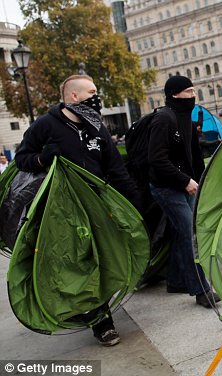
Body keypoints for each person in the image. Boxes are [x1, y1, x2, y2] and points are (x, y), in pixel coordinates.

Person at [14, 74, 140, 347]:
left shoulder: (97, 126)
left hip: (97, 207)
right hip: (63, 212)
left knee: (103, 260)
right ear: (74, 96)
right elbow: (22, 159)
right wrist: (41, 158)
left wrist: (134, 201)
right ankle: (101, 322)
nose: (97, 96)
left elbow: (115, 167)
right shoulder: (45, 125)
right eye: (92, 91)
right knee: (80, 265)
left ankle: (99, 311)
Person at [147, 75, 220, 308]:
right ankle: (201, 290)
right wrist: (184, 180)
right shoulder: (163, 119)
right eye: (189, 91)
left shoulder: (185, 117)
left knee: (184, 232)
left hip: (184, 185)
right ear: (175, 94)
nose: (193, 94)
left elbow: (194, 155)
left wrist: (200, 180)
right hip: (166, 187)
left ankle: (177, 280)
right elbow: (156, 159)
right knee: (190, 235)